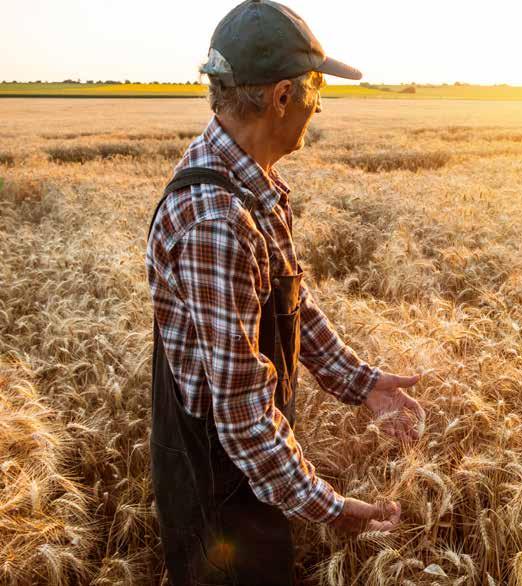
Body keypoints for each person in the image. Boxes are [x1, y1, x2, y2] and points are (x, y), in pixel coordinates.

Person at [145, 2, 425, 584]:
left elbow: (285, 300)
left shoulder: (249, 180)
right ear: (280, 97)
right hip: (219, 493)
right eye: (315, 87)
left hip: (248, 474)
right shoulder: (217, 221)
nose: (318, 105)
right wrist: (332, 508)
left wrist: (363, 382)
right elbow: (244, 416)